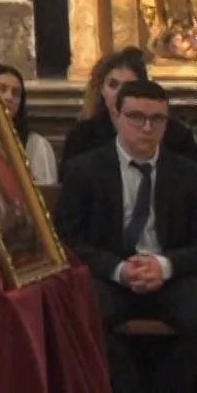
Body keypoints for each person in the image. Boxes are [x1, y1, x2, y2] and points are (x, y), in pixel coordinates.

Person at [56, 79, 197, 392]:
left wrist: (164, 266)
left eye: (156, 119)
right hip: (110, 276)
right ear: (116, 117)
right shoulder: (84, 170)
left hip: (170, 278)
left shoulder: (188, 173)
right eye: (136, 117)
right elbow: (67, 238)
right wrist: (119, 270)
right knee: (81, 315)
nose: (146, 127)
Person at [64, 47, 197, 164]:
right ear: (101, 90)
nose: (120, 93)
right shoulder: (81, 138)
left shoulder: (177, 137)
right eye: (113, 85)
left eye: (129, 86)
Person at [0, 63, 57, 185]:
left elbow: (45, 194)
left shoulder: (36, 146)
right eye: (1, 89)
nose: (9, 97)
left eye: (16, 93)